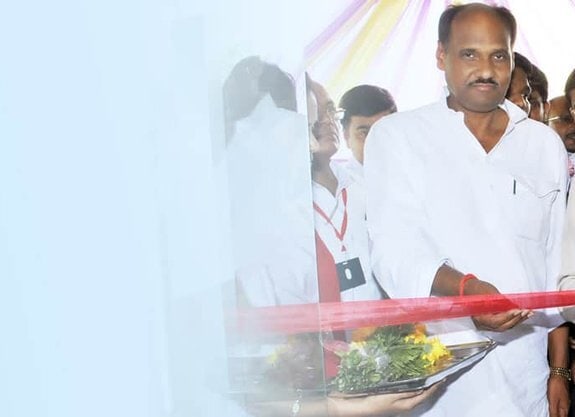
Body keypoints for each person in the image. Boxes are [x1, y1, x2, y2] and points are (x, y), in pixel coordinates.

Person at [364, 3, 569, 416]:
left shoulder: (543, 145)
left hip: (526, 378)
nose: (487, 70)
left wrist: (559, 371)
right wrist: (466, 292)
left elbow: (555, 267)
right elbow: (394, 251)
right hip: (439, 381)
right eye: (469, 54)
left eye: (499, 55)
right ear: (441, 56)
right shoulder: (398, 137)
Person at [338, 84, 397, 185]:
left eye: (383, 131)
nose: (376, 142)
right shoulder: (339, 187)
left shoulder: (415, 173)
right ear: (346, 137)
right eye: (364, 133)